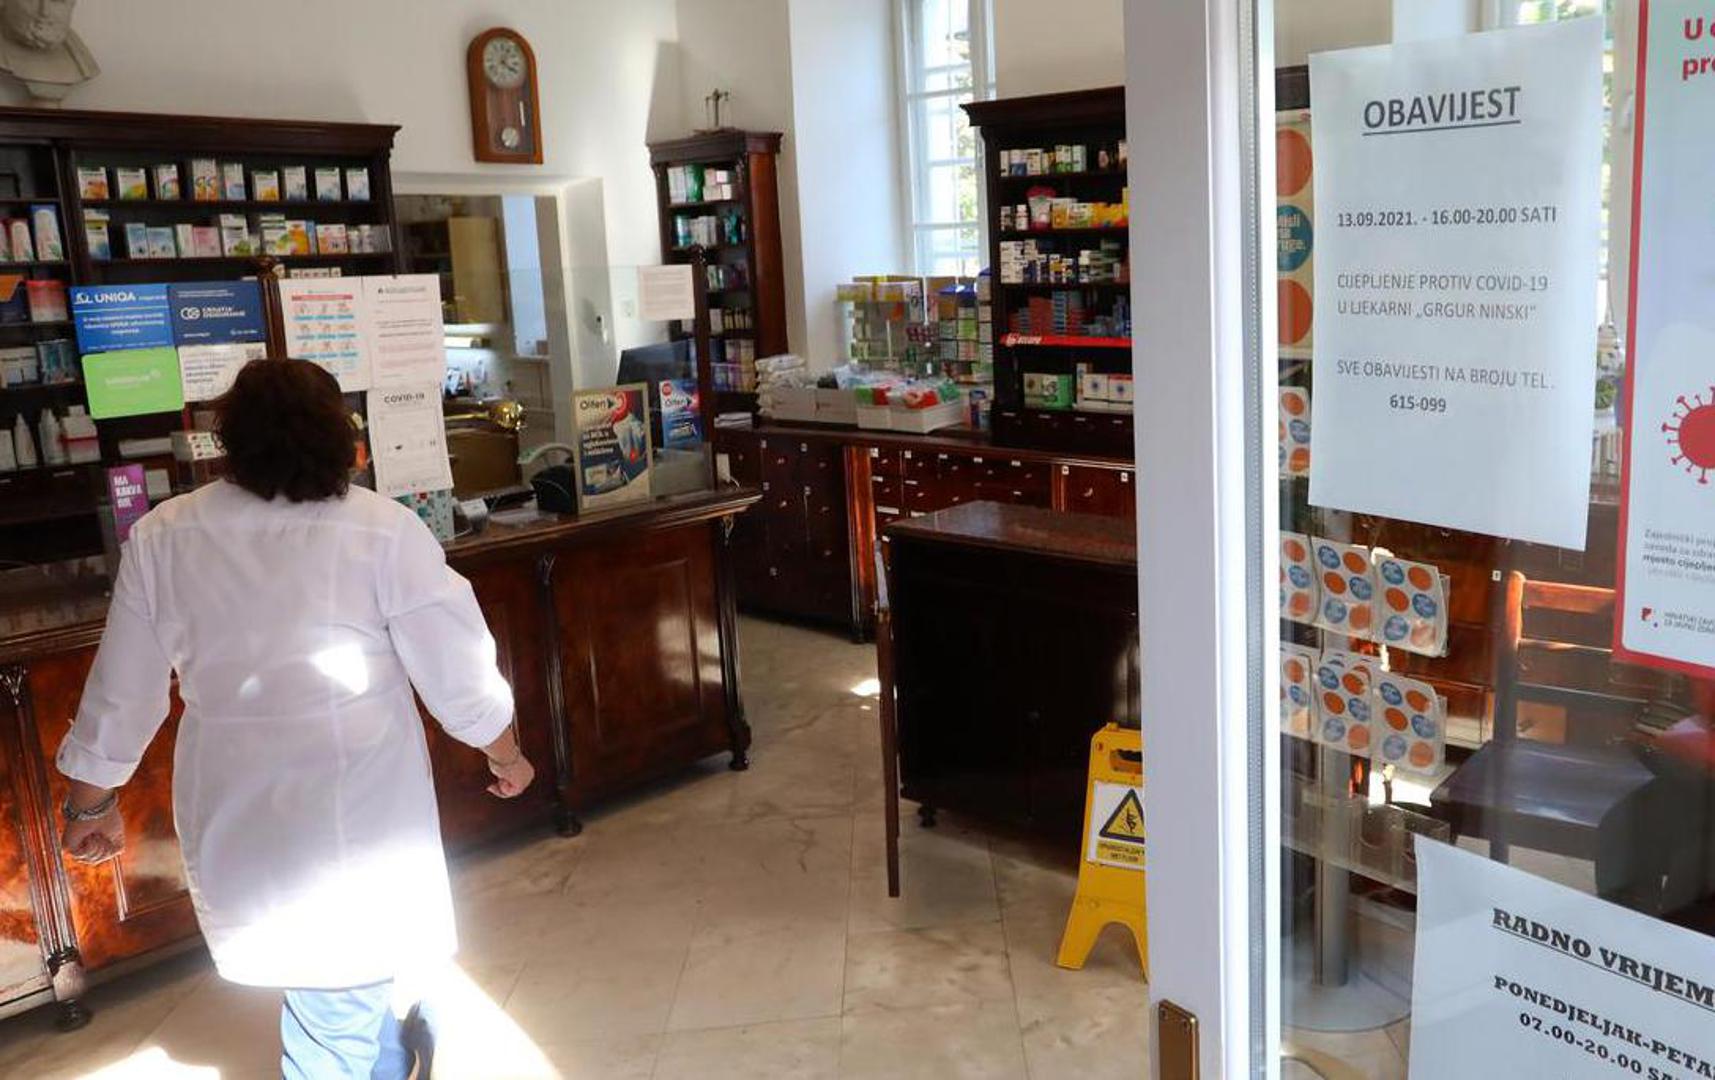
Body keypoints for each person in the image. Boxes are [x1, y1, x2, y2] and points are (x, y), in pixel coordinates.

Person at [54, 358, 534, 1078]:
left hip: (237, 804)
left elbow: (122, 691)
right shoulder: (382, 529)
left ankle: (388, 1054)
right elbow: (458, 673)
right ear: (341, 437)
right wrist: (505, 753)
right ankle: (379, 1056)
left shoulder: (164, 536)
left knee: (326, 973)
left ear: (228, 441)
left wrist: (90, 805)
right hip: (358, 803)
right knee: (334, 990)